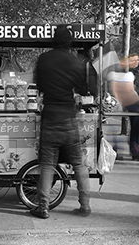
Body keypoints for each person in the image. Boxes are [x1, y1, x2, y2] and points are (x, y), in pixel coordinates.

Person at [30, 25, 93, 219]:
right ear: (70, 42)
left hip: (50, 118)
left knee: (47, 165)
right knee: (79, 165)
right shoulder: (75, 62)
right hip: (69, 118)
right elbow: (84, 89)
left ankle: (43, 207)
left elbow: (39, 86)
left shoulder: (43, 60)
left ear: (53, 40)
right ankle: (85, 206)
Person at [108, 55, 139, 161]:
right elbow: (128, 91)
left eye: (137, 60)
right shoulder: (124, 74)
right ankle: (134, 151)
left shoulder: (124, 73)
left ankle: (132, 151)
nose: (136, 62)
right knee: (136, 128)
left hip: (129, 102)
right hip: (131, 103)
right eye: (133, 60)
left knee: (136, 128)